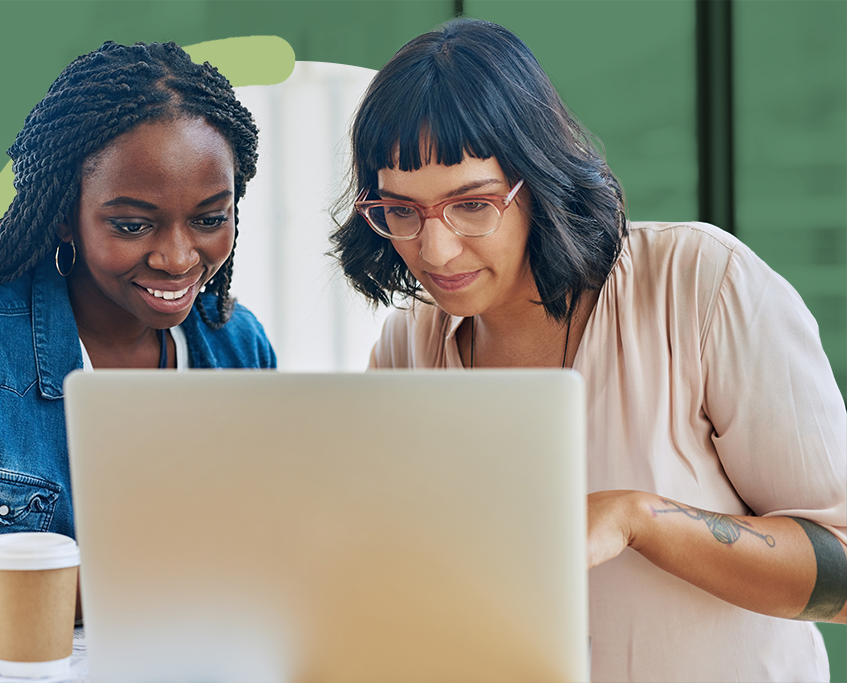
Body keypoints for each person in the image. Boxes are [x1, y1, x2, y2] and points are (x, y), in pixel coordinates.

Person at [330, 19, 846, 682]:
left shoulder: (701, 284)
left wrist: (639, 517)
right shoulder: (408, 348)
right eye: (402, 211)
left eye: (472, 205)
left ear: (536, 180)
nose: (435, 250)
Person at [0, 40, 277, 660]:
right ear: (66, 215)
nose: (177, 258)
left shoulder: (235, 345)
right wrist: (115, 584)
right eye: (132, 224)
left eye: (208, 218)